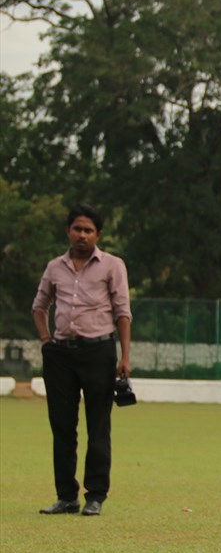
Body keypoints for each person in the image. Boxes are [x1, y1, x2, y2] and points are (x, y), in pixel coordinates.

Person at [31, 203, 132, 517]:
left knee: (97, 426)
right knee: (62, 426)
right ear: (68, 231)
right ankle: (66, 497)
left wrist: (125, 356)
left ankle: (95, 495)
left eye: (89, 230)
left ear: (98, 234)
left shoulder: (112, 265)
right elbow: (39, 306)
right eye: (77, 229)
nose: (82, 235)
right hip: (60, 354)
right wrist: (46, 340)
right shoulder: (54, 267)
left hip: (99, 352)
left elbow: (123, 312)